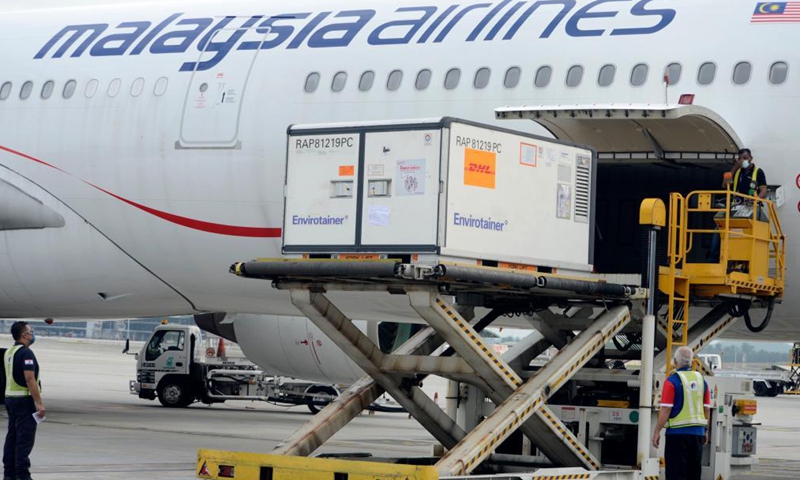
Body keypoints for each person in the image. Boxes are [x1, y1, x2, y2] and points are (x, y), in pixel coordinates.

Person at [652, 346, 711, 480]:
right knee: (693, 474)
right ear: (691, 362)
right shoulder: (702, 380)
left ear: (675, 361)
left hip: (677, 436)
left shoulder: (672, 381)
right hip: (697, 435)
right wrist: (706, 431)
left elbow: (666, 409)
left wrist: (657, 431)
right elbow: (707, 409)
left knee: (676, 475)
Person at [3, 322, 45, 480]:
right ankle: (22, 475)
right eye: (31, 331)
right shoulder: (26, 353)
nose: (32, 334)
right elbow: (29, 379)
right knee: (24, 440)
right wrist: (39, 403)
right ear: (24, 335)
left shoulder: (9, 352)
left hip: (10, 399)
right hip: (23, 401)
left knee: (12, 438)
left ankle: (9, 474)